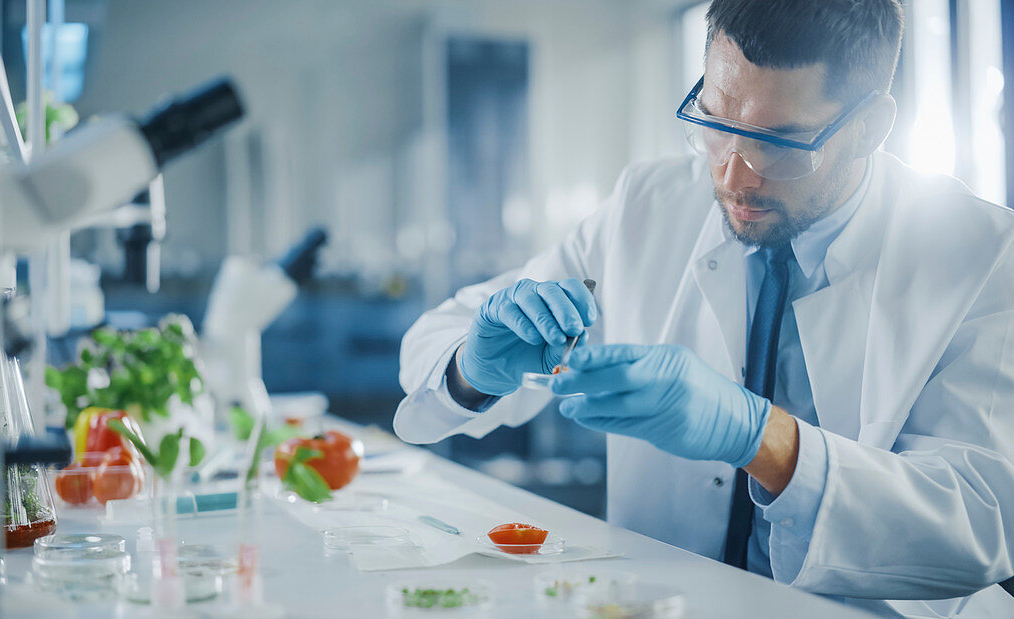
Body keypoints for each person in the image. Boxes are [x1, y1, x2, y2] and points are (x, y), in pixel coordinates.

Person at [393, 0, 1014, 616]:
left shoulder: (983, 254)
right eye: (715, 123)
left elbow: (983, 519)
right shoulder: (649, 203)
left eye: (780, 142)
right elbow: (445, 333)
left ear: (871, 127)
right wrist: (473, 371)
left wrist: (761, 439)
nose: (735, 176)